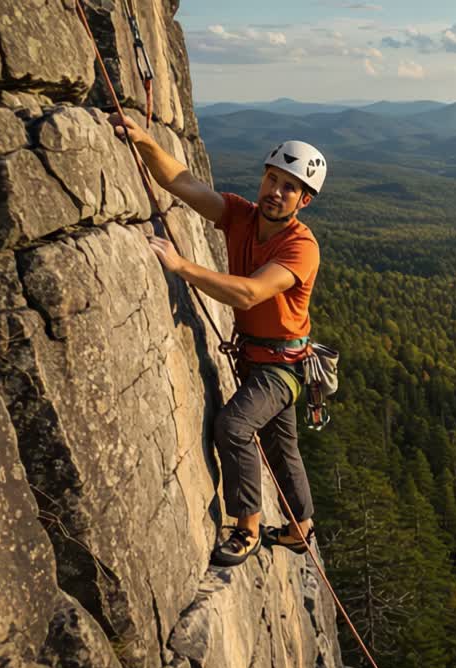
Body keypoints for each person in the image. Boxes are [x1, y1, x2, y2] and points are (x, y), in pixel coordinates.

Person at [110, 114, 326, 567]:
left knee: (234, 426)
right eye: (272, 179)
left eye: (289, 187)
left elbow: (250, 291)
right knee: (281, 446)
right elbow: (183, 184)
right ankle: (300, 528)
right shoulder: (240, 215)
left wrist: (182, 266)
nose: (275, 192)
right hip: (258, 356)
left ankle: (246, 528)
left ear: (303, 201)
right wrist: (146, 141)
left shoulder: (300, 247)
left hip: (281, 367)